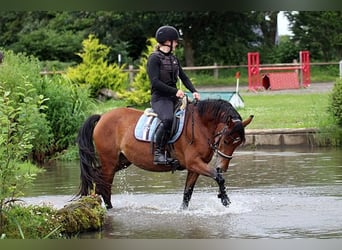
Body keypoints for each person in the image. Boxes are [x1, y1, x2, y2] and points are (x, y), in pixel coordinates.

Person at [147, 25, 200, 165]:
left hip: (173, 97)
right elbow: (155, 82)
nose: (176, 44)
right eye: (175, 41)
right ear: (167, 42)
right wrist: (175, 91)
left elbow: (184, 77)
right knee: (168, 119)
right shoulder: (154, 59)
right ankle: (158, 153)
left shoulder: (173, 58)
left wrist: (194, 90)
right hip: (160, 98)